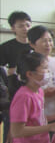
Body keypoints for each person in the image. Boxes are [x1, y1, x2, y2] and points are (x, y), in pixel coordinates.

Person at [9, 52, 55, 143]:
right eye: (44, 68)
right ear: (30, 74)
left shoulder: (39, 91)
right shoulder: (24, 97)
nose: (48, 72)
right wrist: (50, 127)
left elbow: (37, 119)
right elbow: (16, 131)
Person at [27, 25, 55, 139]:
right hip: (37, 119)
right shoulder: (27, 65)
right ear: (32, 44)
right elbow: (25, 92)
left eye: (50, 40)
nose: (48, 44)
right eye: (43, 41)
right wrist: (44, 93)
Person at [0, 11, 32, 143]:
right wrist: (12, 72)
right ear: (13, 28)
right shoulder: (5, 48)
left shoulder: (35, 46)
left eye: (27, 25)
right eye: (20, 26)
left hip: (33, 95)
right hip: (12, 97)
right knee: (11, 132)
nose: (25, 28)